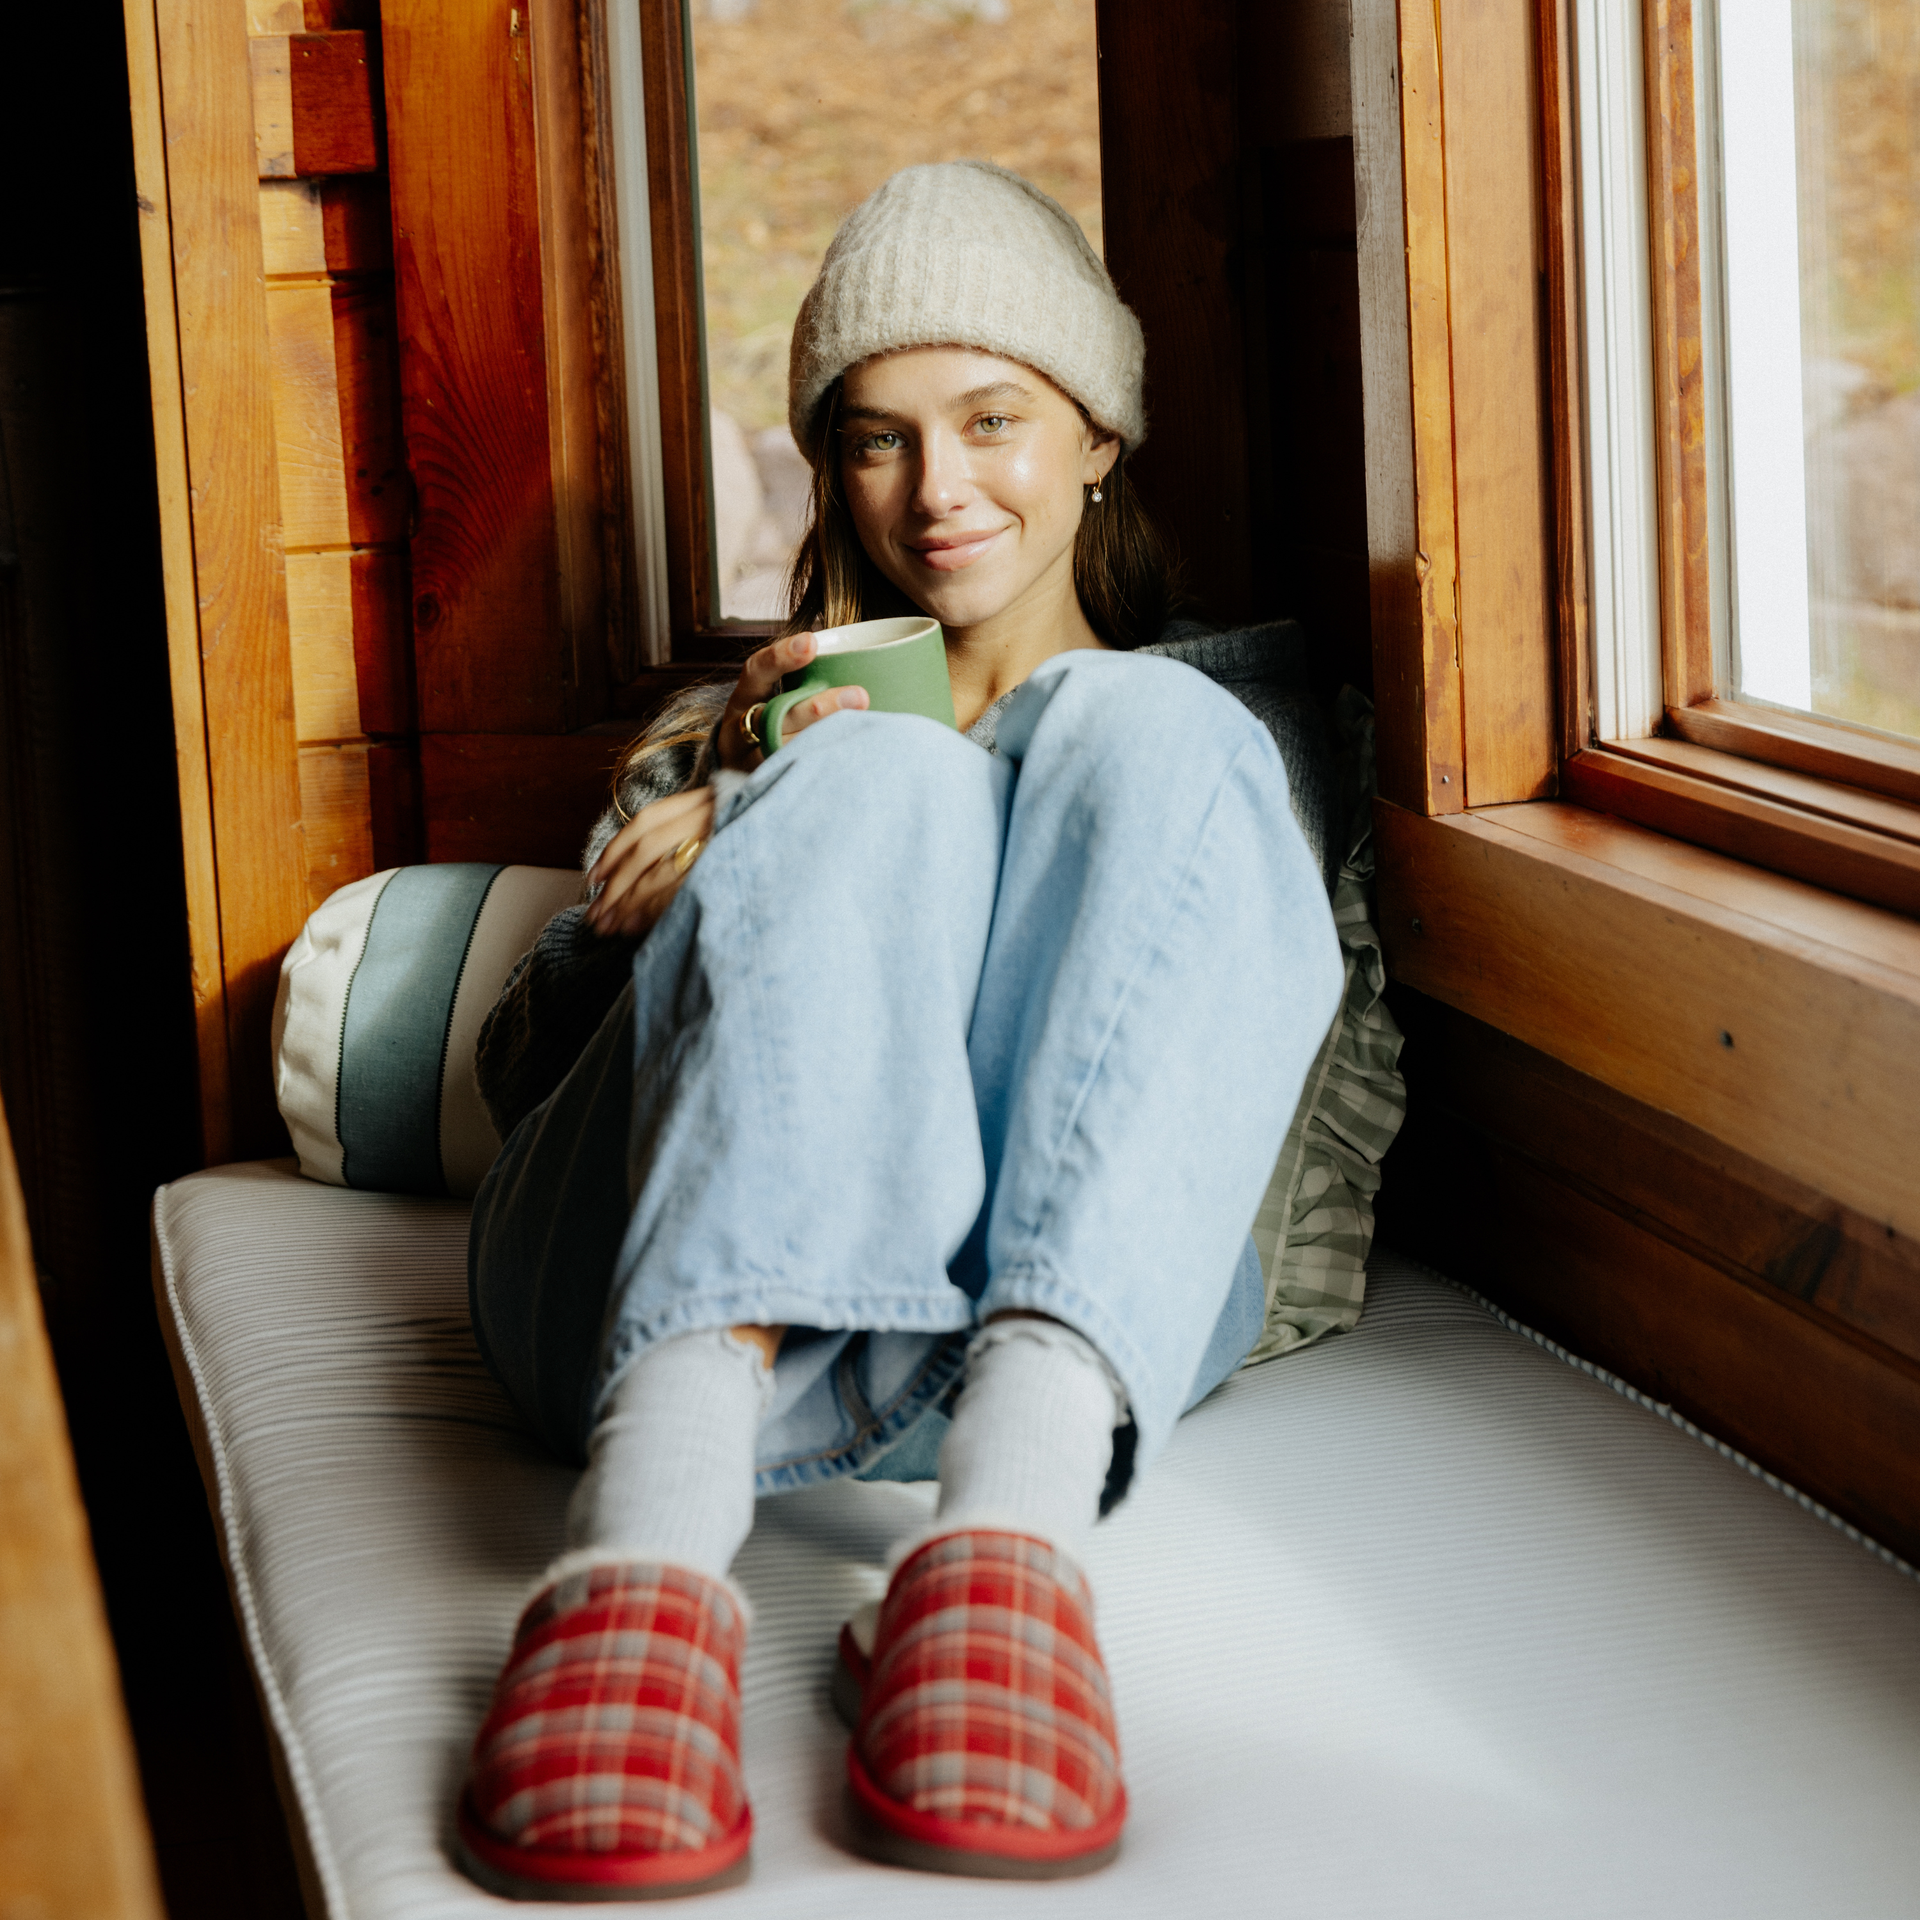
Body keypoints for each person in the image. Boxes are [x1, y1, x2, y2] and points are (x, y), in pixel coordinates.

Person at [454, 160, 1344, 1901]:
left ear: (1097, 435)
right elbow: (534, 1080)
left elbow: (1269, 1169)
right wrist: (740, 818)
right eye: (877, 438)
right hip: (662, 1329)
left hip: (1066, 1341)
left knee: (1140, 722)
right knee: (878, 767)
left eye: (993, 418)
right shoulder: (758, 721)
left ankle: (1005, 1555)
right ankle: (644, 1561)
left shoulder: (1222, 741)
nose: (937, 490)